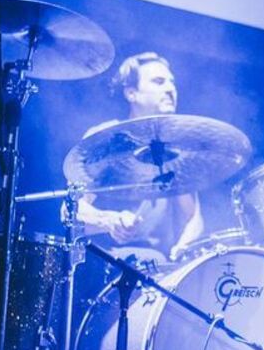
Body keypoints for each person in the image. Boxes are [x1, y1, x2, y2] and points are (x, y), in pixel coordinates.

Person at [71, 52, 205, 263]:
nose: (170, 89)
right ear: (131, 93)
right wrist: (108, 220)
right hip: (105, 261)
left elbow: (194, 217)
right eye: (158, 82)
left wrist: (183, 249)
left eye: (172, 82)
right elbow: (70, 211)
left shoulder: (176, 147)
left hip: (158, 267)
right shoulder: (106, 137)